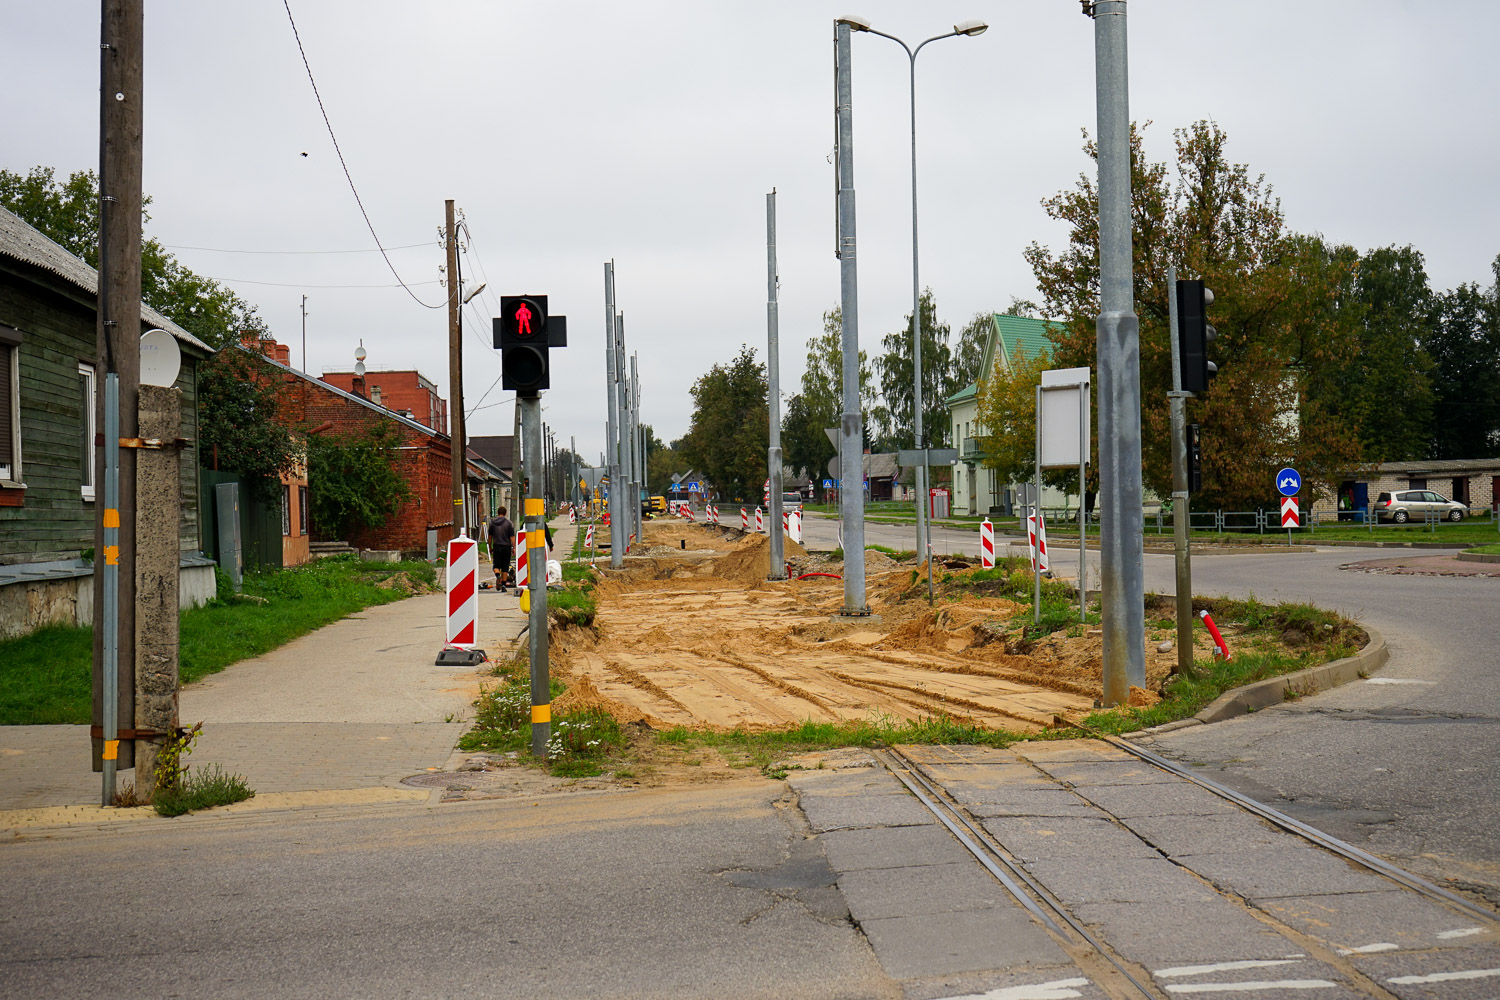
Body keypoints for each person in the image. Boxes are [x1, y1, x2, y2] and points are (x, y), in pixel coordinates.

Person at [487, 506, 516, 594]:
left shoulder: (492, 523)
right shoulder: (509, 523)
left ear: (498, 512)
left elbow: (490, 537)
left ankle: (498, 575)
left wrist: (490, 546)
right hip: (506, 547)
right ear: (505, 513)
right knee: (505, 567)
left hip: (497, 546)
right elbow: (512, 537)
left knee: (496, 566)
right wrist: (514, 547)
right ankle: (503, 585)